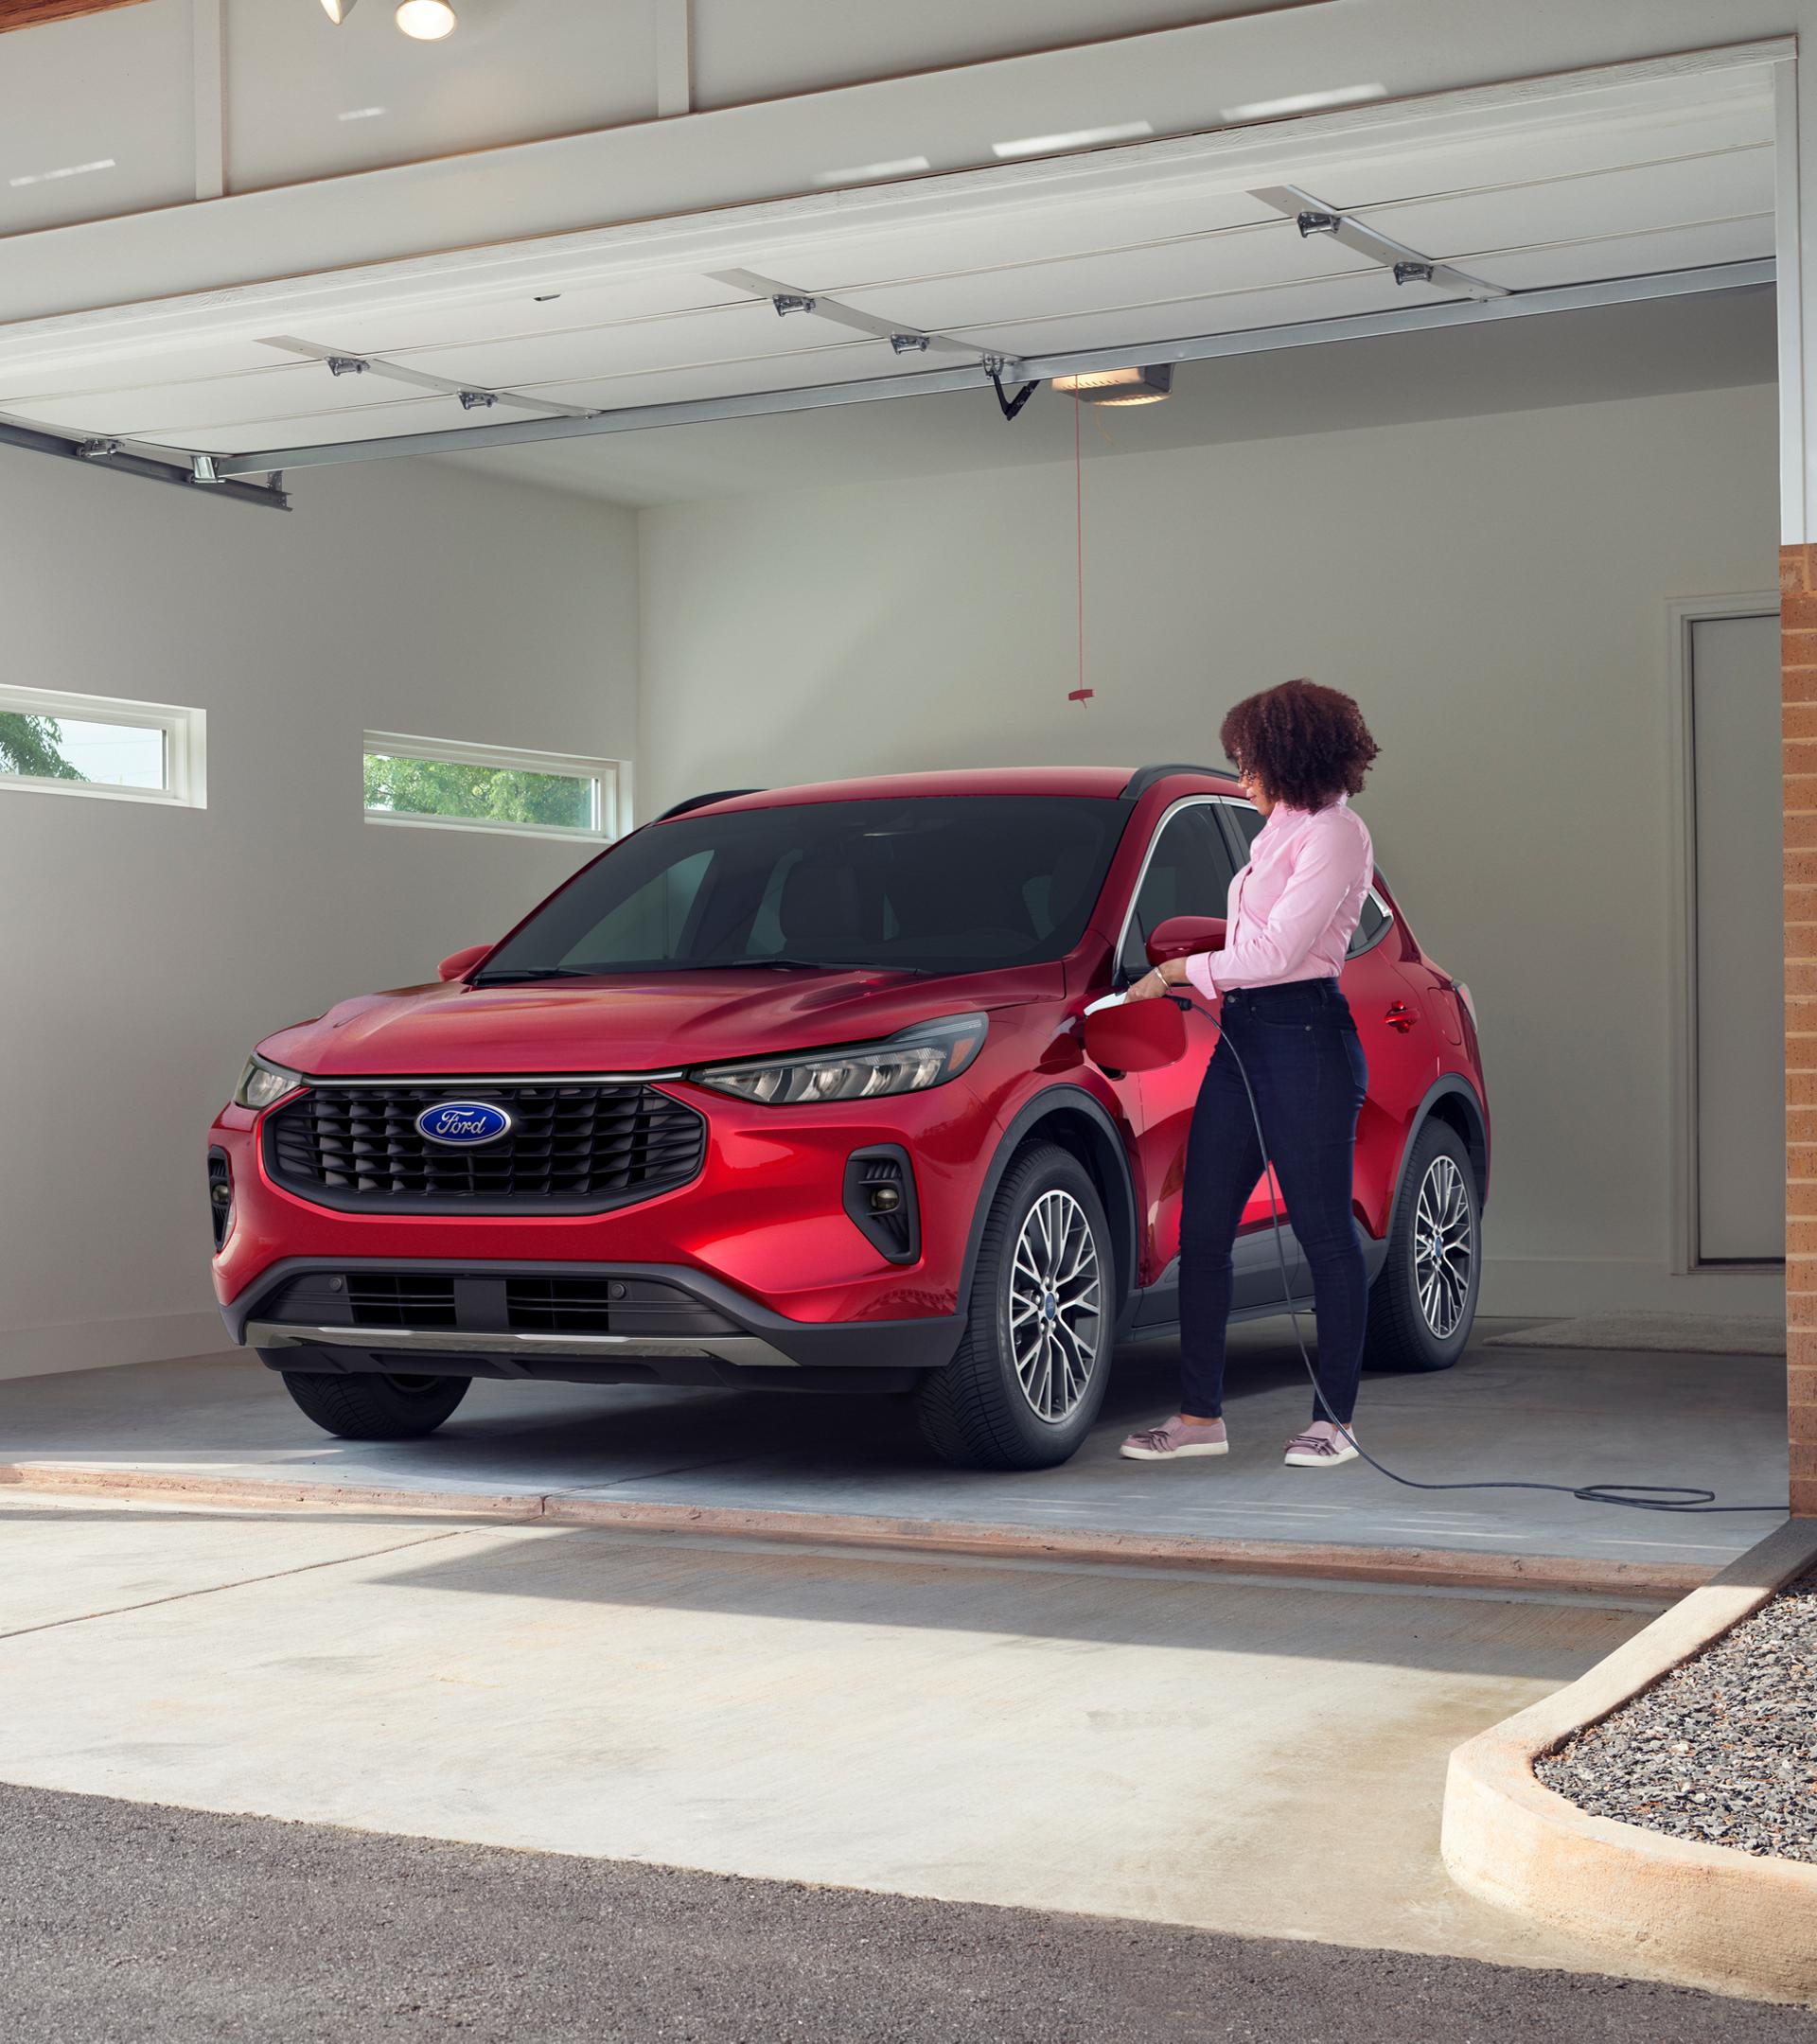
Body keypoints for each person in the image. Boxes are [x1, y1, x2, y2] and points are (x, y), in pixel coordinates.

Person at [1120, 678, 1379, 1470]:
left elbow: (1276, 954)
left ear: (1290, 757)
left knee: (1324, 1233)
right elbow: (1251, 953)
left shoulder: (1336, 835)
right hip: (1245, 1039)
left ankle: (1334, 1423)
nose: (1241, 779)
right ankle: (1201, 1418)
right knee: (1202, 1231)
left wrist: (1175, 973)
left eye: (1249, 762)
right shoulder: (1276, 834)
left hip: (1305, 1040)